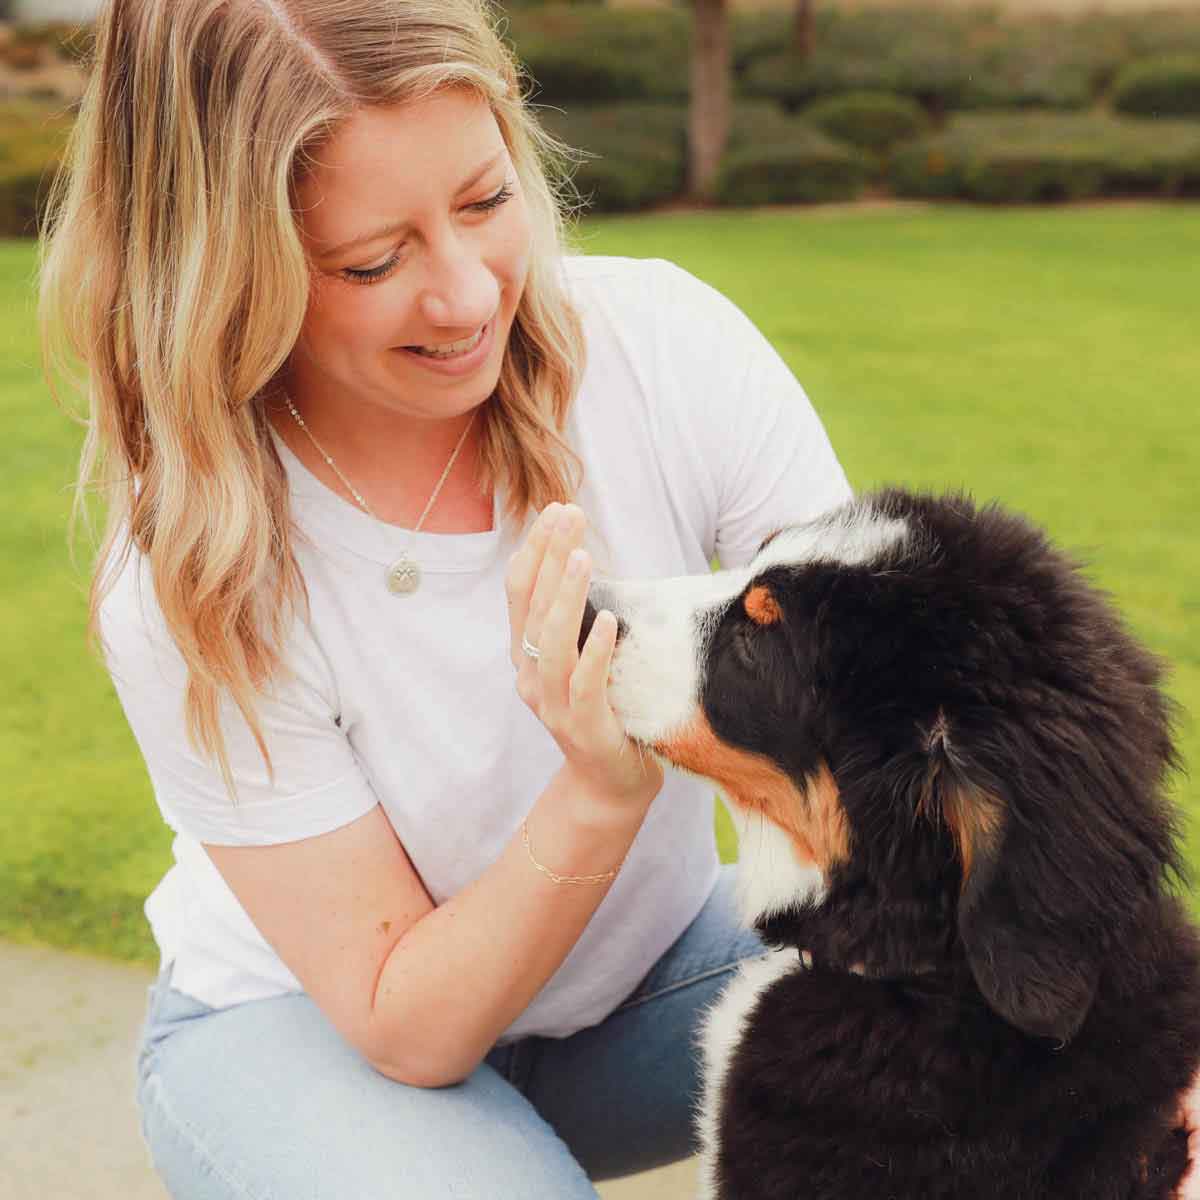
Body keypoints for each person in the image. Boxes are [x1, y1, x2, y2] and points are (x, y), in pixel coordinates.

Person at [38, 1, 854, 1196]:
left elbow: (892, 680)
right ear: (229, 274)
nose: (470, 296)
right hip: (317, 1038)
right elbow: (407, 1025)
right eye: (376, 260)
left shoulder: (666, 347)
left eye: (483, 203)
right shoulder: (192, 568)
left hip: (640, 1000)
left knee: (1025, 1006)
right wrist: (599, 789)